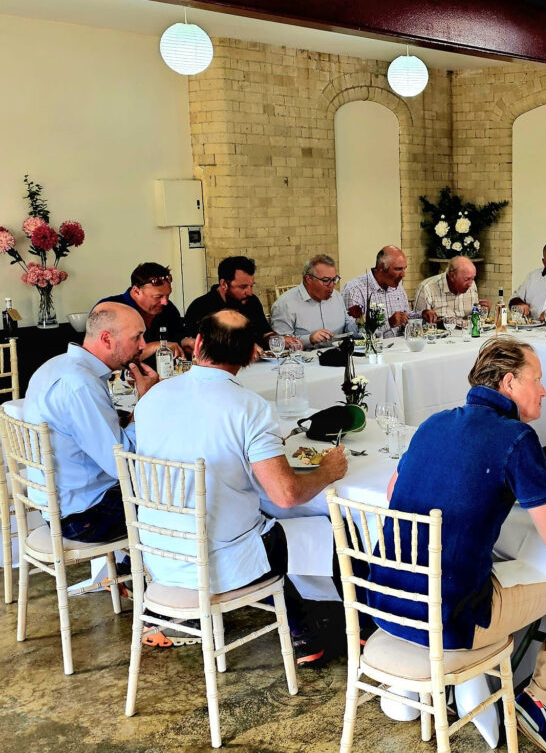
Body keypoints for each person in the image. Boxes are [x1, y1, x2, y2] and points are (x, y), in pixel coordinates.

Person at [370, 337, 546, 753]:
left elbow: (392, 493)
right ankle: (544, 703)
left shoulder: (433, 423)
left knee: (493, 564)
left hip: (386, 605)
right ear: (509, 383)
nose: (544, 391)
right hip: (449, 621)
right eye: (537, 380)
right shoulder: (516, 437)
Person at [133, 309, 349, 664]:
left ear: (197, 344)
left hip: (158, 554)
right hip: (218, 565)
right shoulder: (250, 408)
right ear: (251, 354)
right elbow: (286, 495)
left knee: (253, 516)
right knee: (328, 523)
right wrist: (327, 471)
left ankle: (303, 630)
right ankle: (347, 625)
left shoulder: (152, 398)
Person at [22, 302, 159, 542]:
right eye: (136, 337)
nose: (143, 345)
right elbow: (123, 464)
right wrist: (146, 403)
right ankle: (140, 564)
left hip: (61, 501)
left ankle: (132, 564)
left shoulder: (57, 364)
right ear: (106, 339)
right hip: (85, 515)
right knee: (187, 497)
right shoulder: (81, 384)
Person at [184, 255, 300, 350]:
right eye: (243, 287)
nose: (249, 292)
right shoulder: (200, 307)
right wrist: (245, 349)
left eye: (251, 286)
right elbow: (198, 347)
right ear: (224, 284)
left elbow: (265, 332)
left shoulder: (252, 301)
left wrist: (277, 340)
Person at [98, 262, 193, 359]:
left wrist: (184, 341)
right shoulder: (109, 309)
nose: (165, 302)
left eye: (168, 295)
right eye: (158, 297)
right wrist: (155, 346)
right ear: (136, 291)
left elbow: (176, 334)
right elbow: (106, 356)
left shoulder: (168, 309)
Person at [271, 254, 358, 347]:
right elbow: (278, 343)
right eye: (326, 280)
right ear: (308, 279)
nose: (332, 285)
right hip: (305, 355)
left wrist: (359, 324)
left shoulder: (336, 296)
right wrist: (309, 339)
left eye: (334, 279)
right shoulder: (285, 304)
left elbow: (348, 328)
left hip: (339, 353)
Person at [341, 245, 411, 338]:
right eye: (398, 269)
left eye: (404, 268)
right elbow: (352, 331)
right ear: (381, 267)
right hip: (372, 347)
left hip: (400, 345)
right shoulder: (354, 290)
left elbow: (406, 316)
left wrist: (421, 315)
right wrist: (389, 323)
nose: (403, 274)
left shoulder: (398, 287)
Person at [413, 255, 489, 324]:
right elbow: (417, 324)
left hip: (467, 333)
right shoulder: (426, 288)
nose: (470, 284)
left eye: (472, 278)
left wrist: (484, 310)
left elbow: (476, 320)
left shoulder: (472, 285)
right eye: (467, 279)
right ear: (452, 276)